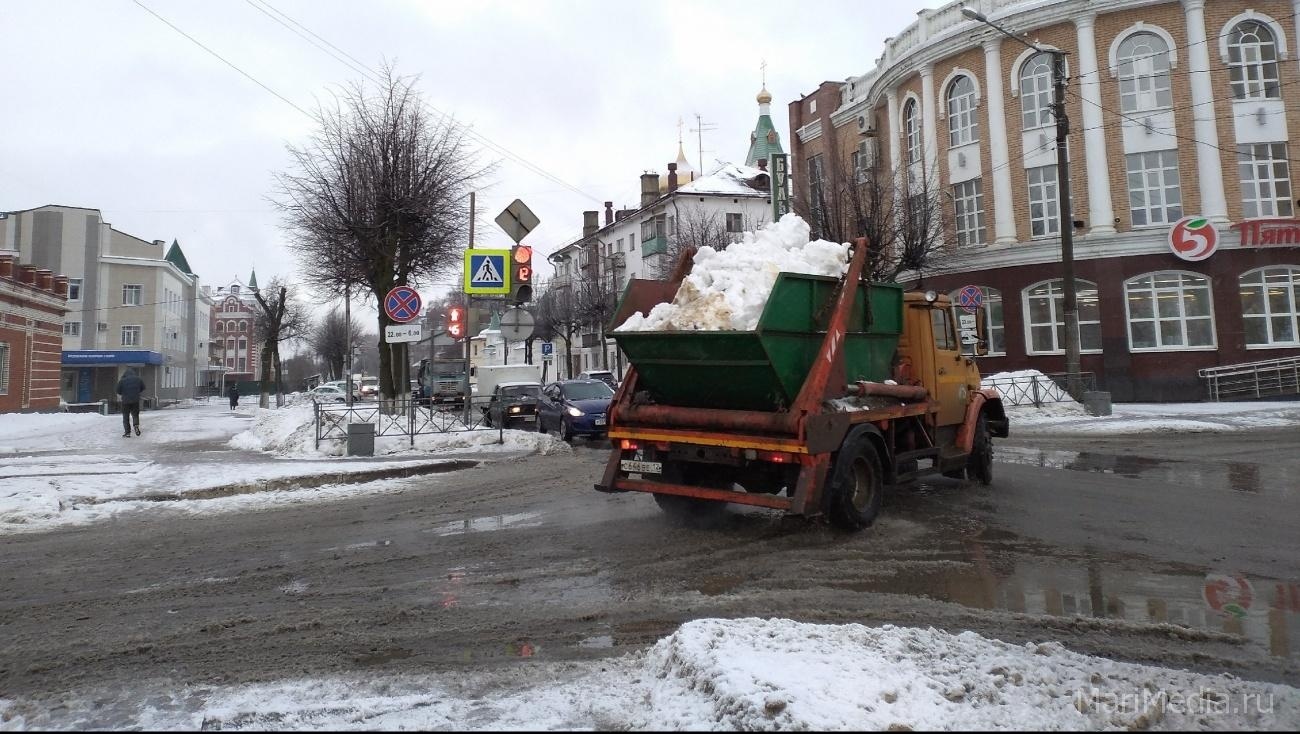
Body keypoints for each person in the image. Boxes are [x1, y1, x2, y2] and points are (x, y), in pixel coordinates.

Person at [115, 368, 145, 437]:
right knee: (135, 414)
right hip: (135, 400)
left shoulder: (122, 381)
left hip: (125, 401)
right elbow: (143, 387)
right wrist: (137, 392)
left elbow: (118, 390)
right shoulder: (138, 379)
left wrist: (124, 393)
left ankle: (127, 432)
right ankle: (136, 425)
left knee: (126, 417)